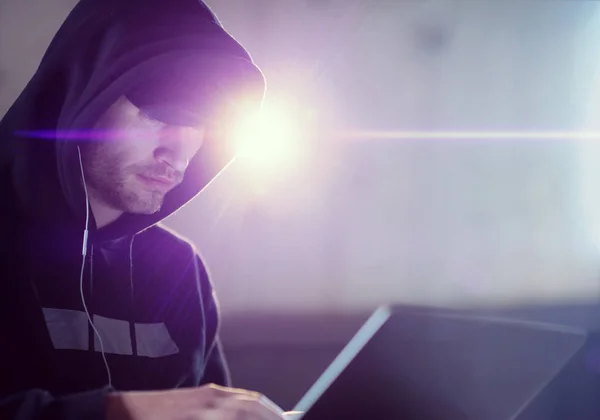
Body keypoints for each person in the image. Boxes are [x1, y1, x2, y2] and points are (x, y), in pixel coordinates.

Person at [0, 0, 287, 418]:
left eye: (202, 128)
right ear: (85, 96)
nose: (180, 154)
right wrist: (128, 411)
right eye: (160, 114)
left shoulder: (177, 269)